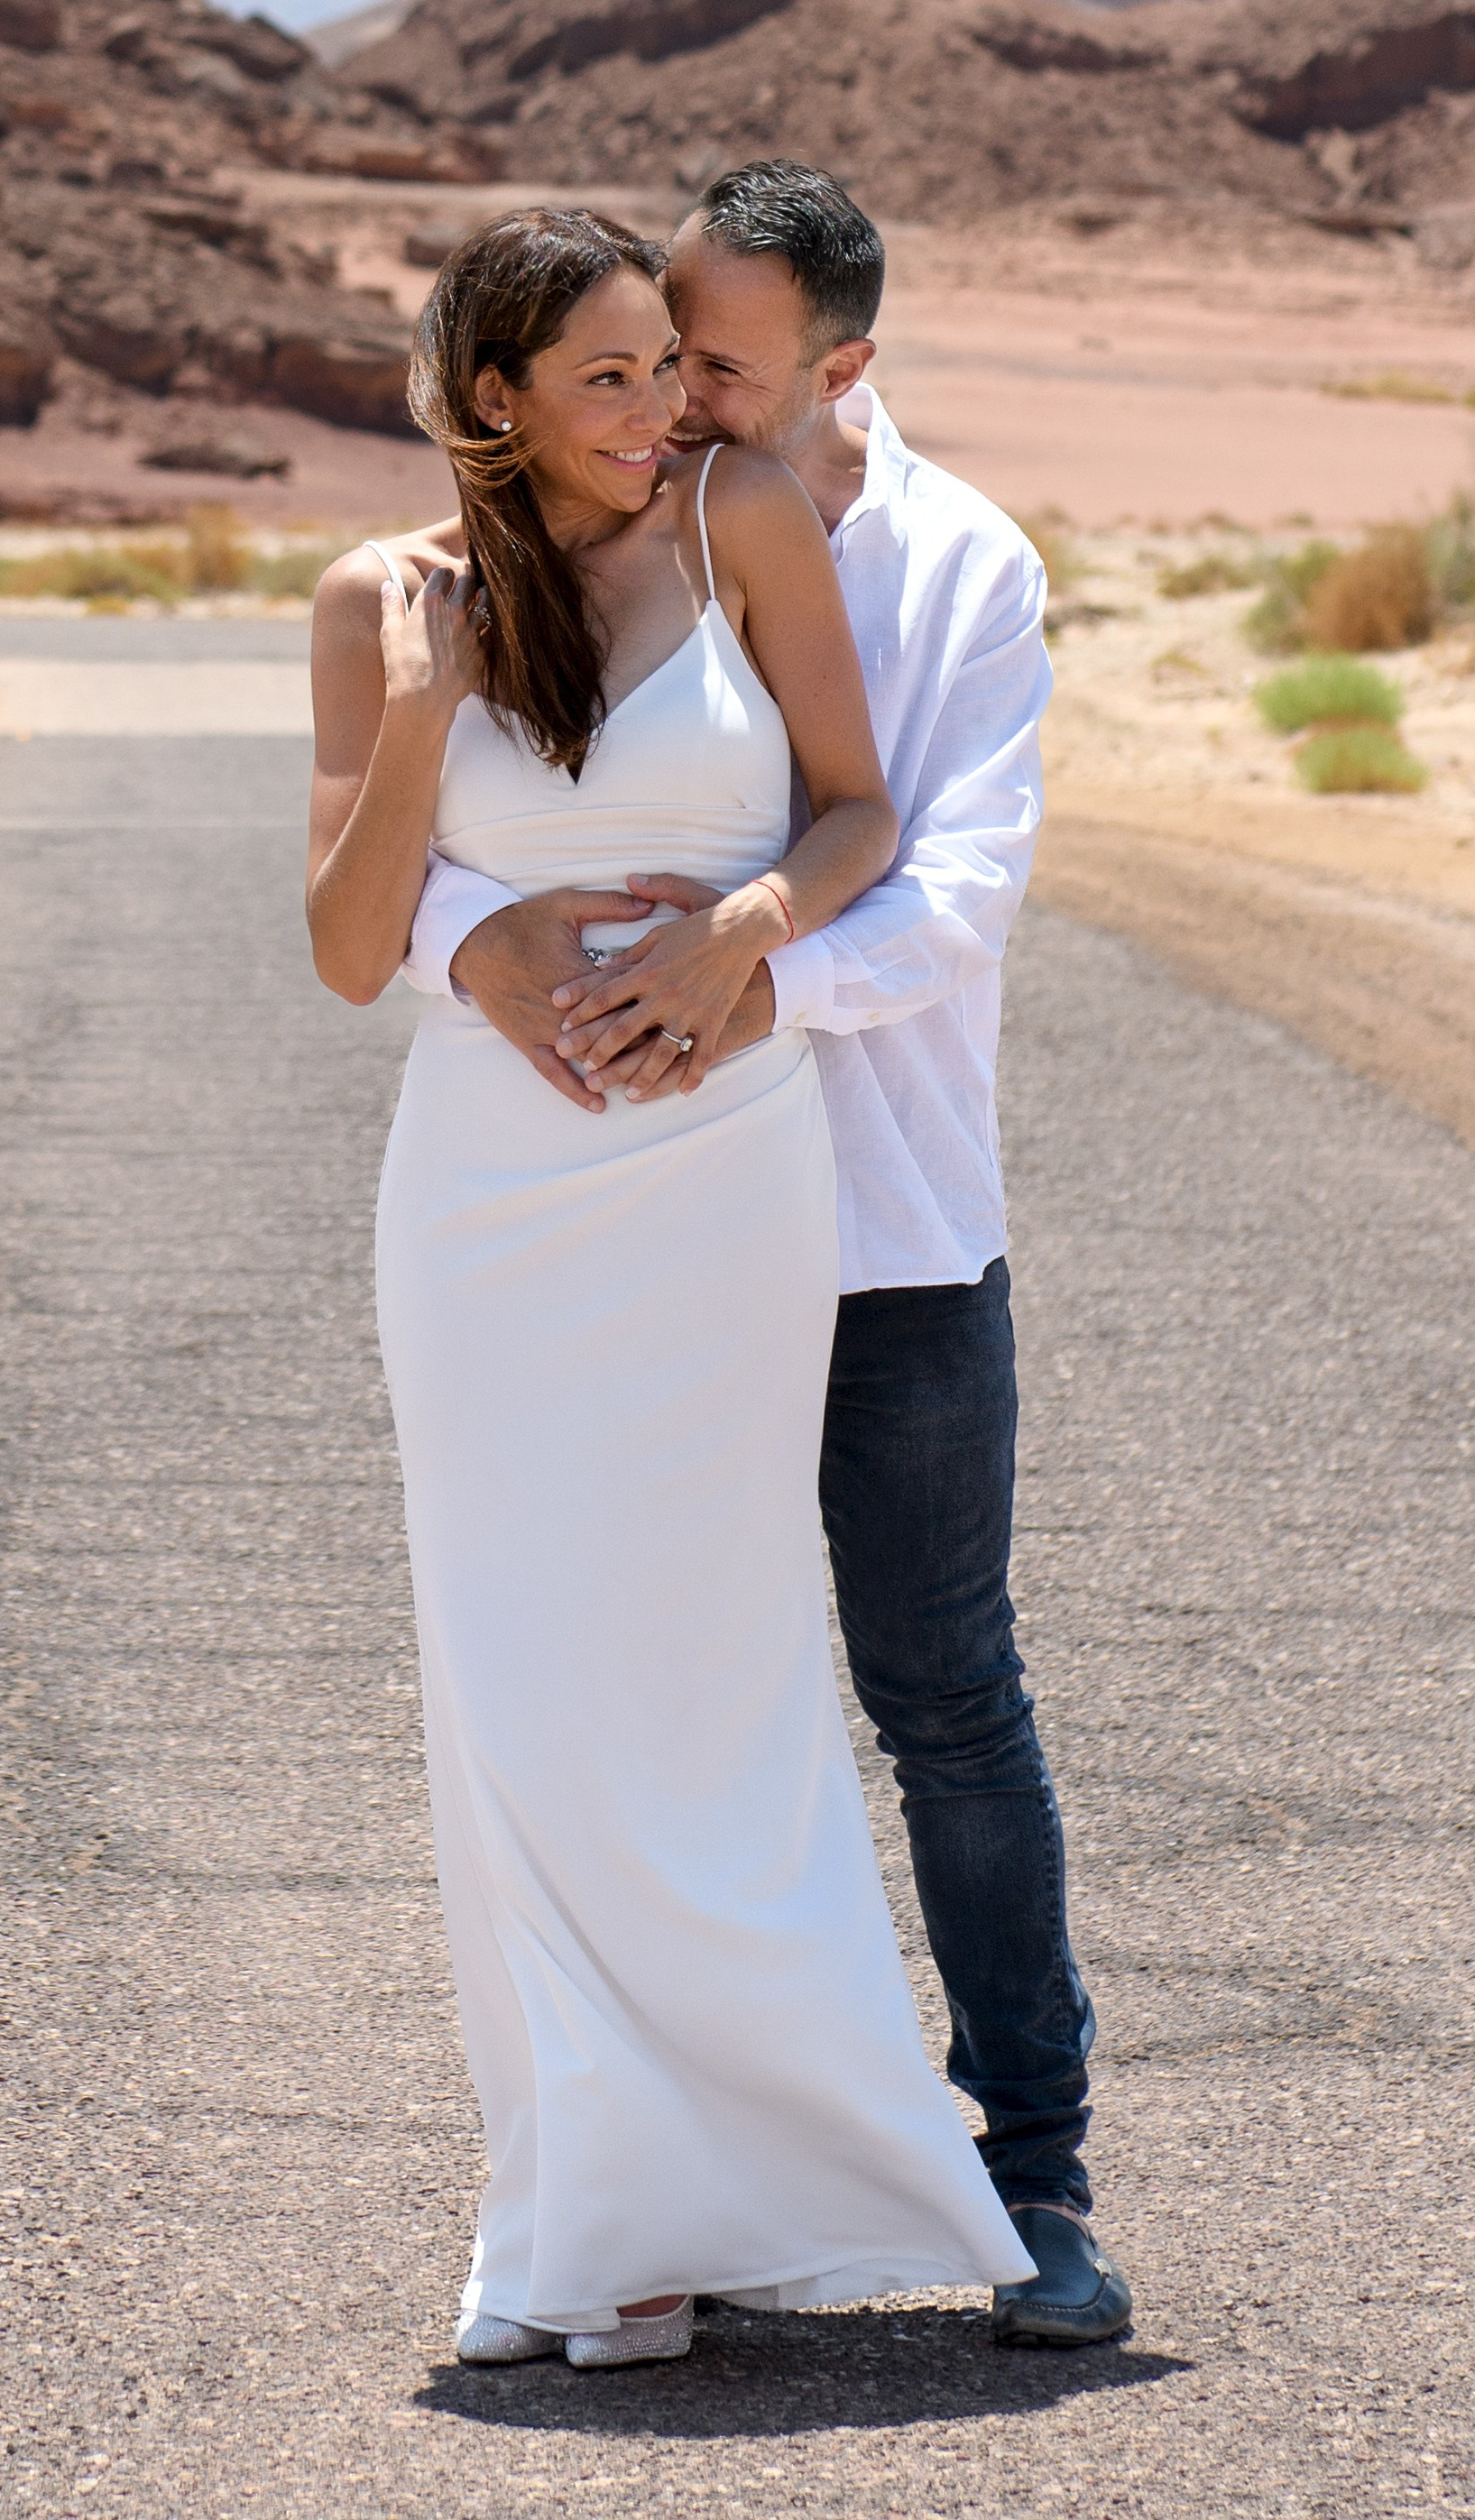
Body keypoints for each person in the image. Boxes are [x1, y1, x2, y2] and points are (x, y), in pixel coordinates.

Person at [401, 161, 1134, 2350]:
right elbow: (468, 823)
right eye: (647, 361)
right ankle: (680, 2184)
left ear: (845, 363)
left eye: (717, 363)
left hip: (885, 1223)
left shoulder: (954, 565)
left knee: (941, 1696)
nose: (677, 403)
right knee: (642, 1695)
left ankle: (1034, 2179)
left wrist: (736, 973)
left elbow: (949, 889)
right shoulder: (604, 524)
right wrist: (489, 948)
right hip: (627, 1236)